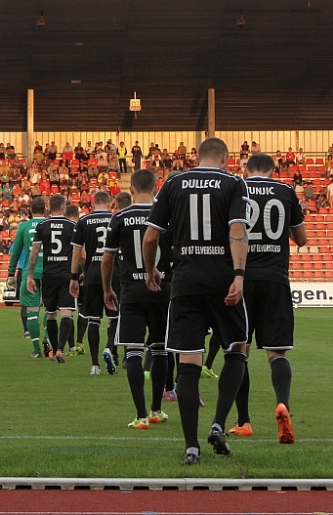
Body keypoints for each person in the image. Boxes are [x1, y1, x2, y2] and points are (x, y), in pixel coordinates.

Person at [143, 137, 250, 465]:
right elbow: (237, 229)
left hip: (185, 281)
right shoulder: (234, 183)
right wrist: (239, 274)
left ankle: (191, 447)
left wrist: (150, 270)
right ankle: (218, 424)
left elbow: (151, 236)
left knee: (188, 363)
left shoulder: (173, 183)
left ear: (198, 156)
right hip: (222, 279)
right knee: (237, 348)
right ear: (225, 158)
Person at [229, 153, 307, 443]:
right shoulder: (285, 191)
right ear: (273, 171)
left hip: (242, 277)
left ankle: (244, 421)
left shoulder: (237, 187)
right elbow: (301, 239)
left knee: (239, 350)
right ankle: (282, 403)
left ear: (246, 169)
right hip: (275, 278)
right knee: (277, 352)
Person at [102, 169, 173, 430]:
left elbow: (107, 259)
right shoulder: (167, 214)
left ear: (131, 189)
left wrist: (107, 289)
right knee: (160, 349)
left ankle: (141, 415)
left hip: (132, 290)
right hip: (162, 288)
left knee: (133, 350)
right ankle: (156, 410)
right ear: (156, 187)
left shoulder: (120, 217)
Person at [70, 191, 117, 375]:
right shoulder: (115, 218)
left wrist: (74, 277)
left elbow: (77, 252)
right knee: (115, 317)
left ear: (92, 203)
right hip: (113, 274)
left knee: (93, 319)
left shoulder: (83, 221)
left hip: (93, 275)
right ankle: (110, 348)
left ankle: (95, 365)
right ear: (110, 203)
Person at [26, 195, 77, 362]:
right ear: (63, 207)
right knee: (67, 312)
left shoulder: (42, 226)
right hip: (66, 275)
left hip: (49, 275)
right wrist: (80, 273)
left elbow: (34, 252)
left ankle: (54, 351)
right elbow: (80, 253)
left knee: (51, 314)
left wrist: (30, 276)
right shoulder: (72, 226)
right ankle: (61, 349)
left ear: (49, 207)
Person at [8, 197, 48, 354]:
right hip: (50, 271)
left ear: (30, 210)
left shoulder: (24, 227)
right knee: (50, 310)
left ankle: (37, 350)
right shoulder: (50, 224)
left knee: (32, 310)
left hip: (30, 271)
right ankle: (48, 339)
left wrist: (11, 273)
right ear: (45, 209)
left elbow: (16, 252)